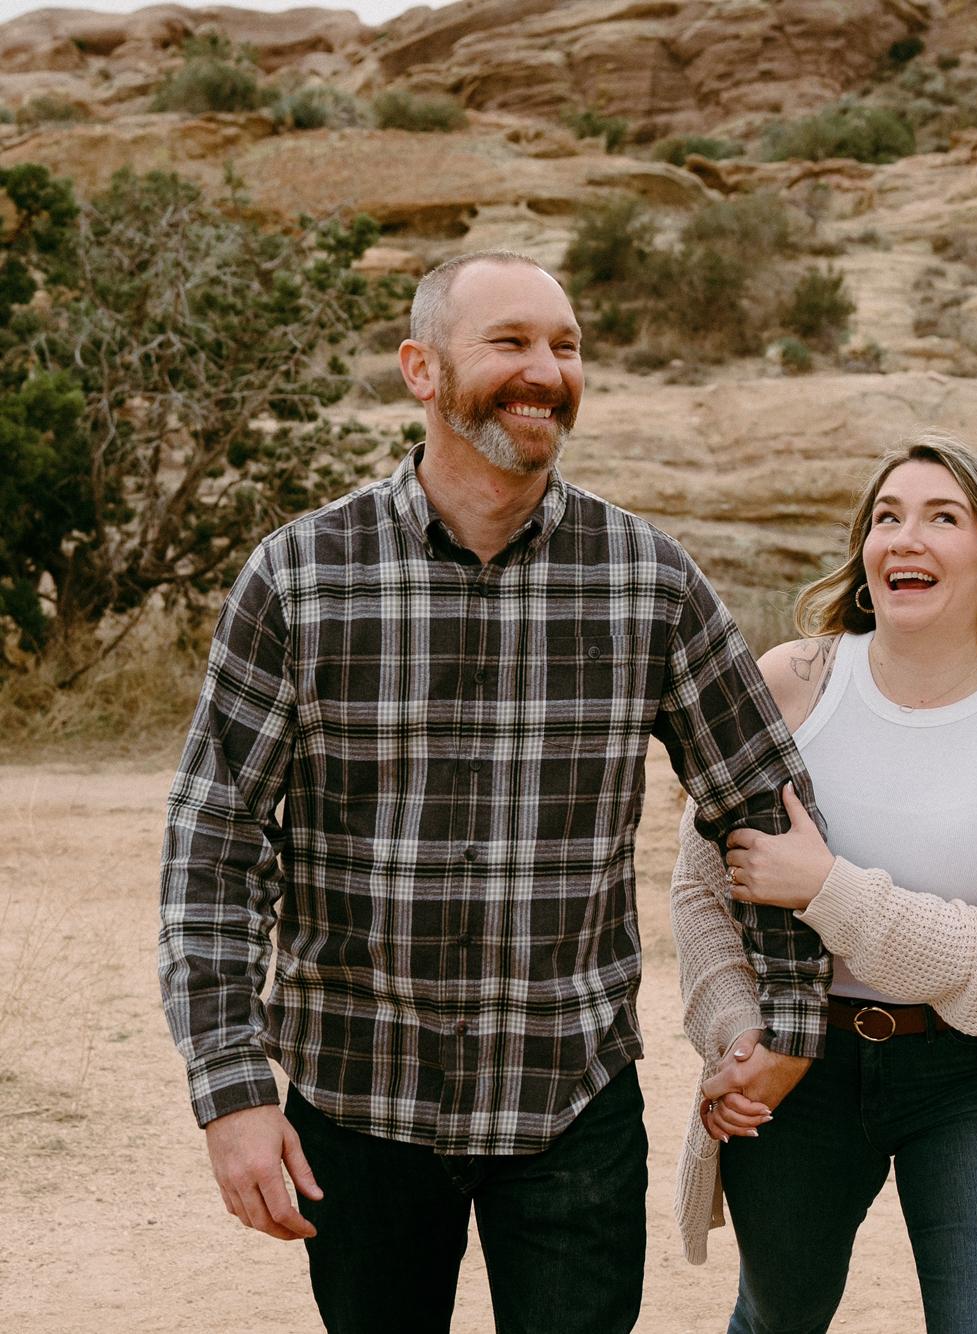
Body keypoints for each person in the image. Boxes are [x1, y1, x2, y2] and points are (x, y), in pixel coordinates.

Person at [158, 250, 830, 1334]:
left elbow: (759, 800)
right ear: (420, 369)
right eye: (510, 342)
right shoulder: (300, 574)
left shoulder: (647, 579)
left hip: (570, 1102)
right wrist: (232, 1087)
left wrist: (788, 1017)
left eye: (564, 347)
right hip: (356, 1095)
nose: (545, 371)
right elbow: (218, 846)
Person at [671, 430, 977, 1334]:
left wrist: (826, 888)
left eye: (942, 518)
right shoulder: (791, 685)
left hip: (971, 1073)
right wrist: (739, 1038)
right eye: (886, 517)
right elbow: (701, 893)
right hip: (801, 1056)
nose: (904, 538)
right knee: (777, 1318)